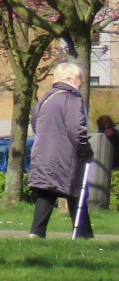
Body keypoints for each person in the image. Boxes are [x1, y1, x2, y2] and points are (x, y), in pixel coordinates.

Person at [27, 61, 92, 239]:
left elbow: (35, 123)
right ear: (70, 79)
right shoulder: (72, 98)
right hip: (64, 156)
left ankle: (36, 232)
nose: (81, 83)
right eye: (80, 79)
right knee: (76, 192)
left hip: (43, 154)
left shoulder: (46, 98)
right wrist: (86, 150)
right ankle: (83, 234)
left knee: (46, 193)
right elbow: (76, 129)